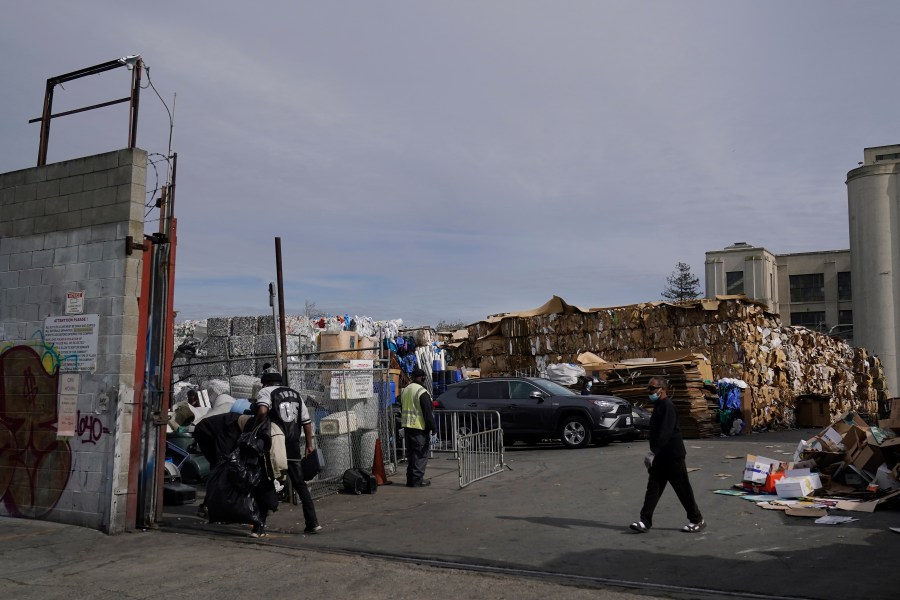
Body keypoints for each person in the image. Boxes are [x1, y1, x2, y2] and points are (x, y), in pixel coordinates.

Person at [629, 376, 706, 534]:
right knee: (653, 488)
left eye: (652, 389)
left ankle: (697, 519)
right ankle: (645, 521)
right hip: (660, 456)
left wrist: (653, 452)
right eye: (649, 389)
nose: (650, 392)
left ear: (661, 390)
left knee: (682, 488)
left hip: (672, 455)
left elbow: (665, 432)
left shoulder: (668, 406)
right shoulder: (658, 406)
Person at [255, 370, 322, 534]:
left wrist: (256, 427)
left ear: (265, 383)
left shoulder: (265, 392)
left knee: (266, 480)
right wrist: (308, 444)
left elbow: (263, 411)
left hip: (274, 445)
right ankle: (312, 522)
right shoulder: (295, 394)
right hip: (293, 445)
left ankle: (259, 527)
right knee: (300, 484)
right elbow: (306, 422)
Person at [400, 368, 437, 487]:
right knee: (420, 455)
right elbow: (427, 413)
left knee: (411, 454)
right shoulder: (422, 391)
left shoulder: (406, 390)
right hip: (419, 428)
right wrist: (433, 428)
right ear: (422, 378)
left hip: (407, 426)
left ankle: (410, 479)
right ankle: (417, 480)